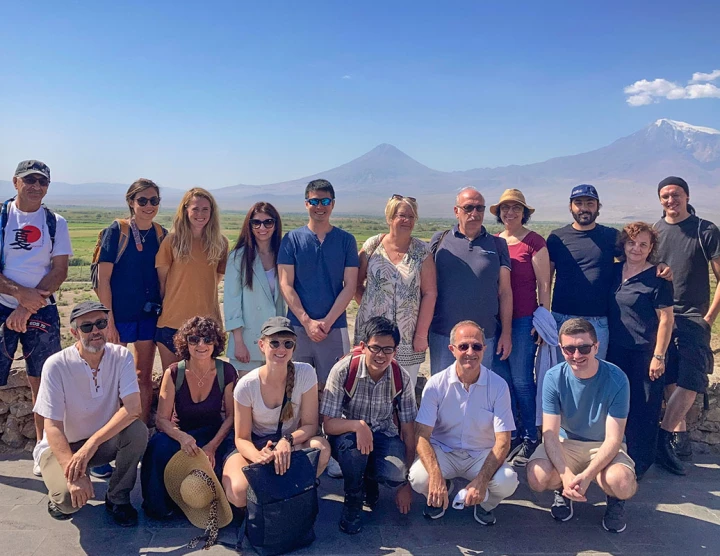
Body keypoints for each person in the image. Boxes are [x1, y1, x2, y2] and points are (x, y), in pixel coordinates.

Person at [32, 301, 148, 525]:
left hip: (99, 444)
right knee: (67, 501)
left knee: (137, 431)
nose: (95, 331)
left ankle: (118, 498)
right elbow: (52, 426)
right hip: (60, 448)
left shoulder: (122, 356)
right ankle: (57, 494)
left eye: (101, 323)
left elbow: (133, 409)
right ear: (74, 332)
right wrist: (73, 472)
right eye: (87, 327)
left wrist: (91, 445)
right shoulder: (56, 365)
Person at [526, 318, 637, 534]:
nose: (576, 356)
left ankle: (614, 500)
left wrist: (586, 477)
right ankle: (563, 489)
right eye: (569, 349)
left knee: (622, 483)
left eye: (584, 348)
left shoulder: (617, 379)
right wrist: (567, 476)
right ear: (561, 349)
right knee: (537, 476)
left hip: (603, 443)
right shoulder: (553, 377)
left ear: (596, 347)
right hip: (565, 442)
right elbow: (549, 434)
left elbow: (614, 439)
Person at [222, 317, 331, 530]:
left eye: (287, 343)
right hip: (255, 446)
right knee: (238, 493)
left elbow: (310, 425)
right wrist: (260, 457)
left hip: (289, 444)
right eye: (274, 343)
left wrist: (287, 441)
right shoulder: (246, 385)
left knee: (321, 448)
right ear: (262, 345)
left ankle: (291, 495)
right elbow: (241, 438)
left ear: (294, 347)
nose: (281, 349)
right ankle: (269, 500)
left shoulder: (306, 373)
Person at [0, 160, 72, 475]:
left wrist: (27, 305)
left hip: (40, 307)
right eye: (29, 180)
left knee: (43, 380)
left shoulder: (56, 222)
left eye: (42, 182)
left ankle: (43, 450)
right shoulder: (2, 218)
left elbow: (59, 270)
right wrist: (19, 296)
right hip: (5, 304)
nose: (35, 186)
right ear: (15, 182)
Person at [409, 320, 519, 526]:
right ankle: (441, 492)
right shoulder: (435, 385)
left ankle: (485, 504)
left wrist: (482, 480)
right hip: (444, 452)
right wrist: (435, 476)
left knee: (507, 481)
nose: (470, 352)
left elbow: (503, 441)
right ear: (452, 349)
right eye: (463, 346)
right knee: (418, 478)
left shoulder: (498, 386)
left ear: (484, 349)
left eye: (476, 346)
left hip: (481, 454)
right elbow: (422, 434)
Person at [321, 316, 418, 534]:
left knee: (395, 473)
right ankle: (353, 501)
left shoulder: (400, 377)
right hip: (347, 436)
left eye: (388, 349)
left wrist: (406, 483)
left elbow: (409, 430)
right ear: (363, 346)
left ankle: (369, 481)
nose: (381, 355)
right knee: (355, 454)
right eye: (375, 348)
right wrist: (358, 426)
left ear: (395, 351)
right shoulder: (343, 370)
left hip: (384, 434)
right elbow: (328, 425)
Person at [654, 176, 720, 473]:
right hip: (660, 317)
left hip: (694, 317)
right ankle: (678, 437)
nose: (671, 200)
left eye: (676, 195)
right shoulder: (655, 231)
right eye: (665, 196)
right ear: (660, 200)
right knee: (668, 377)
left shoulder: (705, 230)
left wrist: (708, 320)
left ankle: (664, 436)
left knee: (691, 380)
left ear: (687, 196)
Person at [141, 316, 236, 519]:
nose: (201, 345)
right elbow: (161, 419)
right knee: (157, 448)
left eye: (208, 339)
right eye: (194, 339)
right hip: (181, 433)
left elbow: (230, 417)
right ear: (185, 343)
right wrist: (182, 437)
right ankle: (159, 505)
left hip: (213, 433)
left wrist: (212, 446)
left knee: (227, 458)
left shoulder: (226, 371)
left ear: (216, 343)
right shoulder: (174, 372)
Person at [96, 178, 166, 425]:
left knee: (142, 376)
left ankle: (141, 430)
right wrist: (109, 322)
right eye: (143, 200)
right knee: (113, 377)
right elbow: (103, 280)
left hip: (148, 317)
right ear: (131, 202)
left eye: (154, 200)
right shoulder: (117, 231)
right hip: (120, 316)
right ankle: (110, 435)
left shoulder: (160, 234)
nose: (149, 206)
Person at [606, 222, 674, 479]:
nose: (636, 248)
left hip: (645, 353)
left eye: (643, 244)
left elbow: (666, 319)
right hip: (614, 351)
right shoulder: (613, 271)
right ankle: (614, 456)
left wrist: (659, 355)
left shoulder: (658, 278)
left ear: (651, 248)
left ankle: (639, 465)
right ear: (623, 244)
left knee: (644, 408)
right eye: (632, 243)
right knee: (616, 405)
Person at [277, 179, 359, 389]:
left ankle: (327, 424)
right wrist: (307, 322)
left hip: (335, 327)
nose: (320, 206)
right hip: (297, 327)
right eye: (314, 201)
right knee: (294, 387)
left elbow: (350, 285)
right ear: (306, 204)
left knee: (333, 388)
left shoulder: (346, 241)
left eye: (325, 201)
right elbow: (286, 284)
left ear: (333, 203)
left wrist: (327, 322)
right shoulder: (292, 240)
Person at [490, 188, 551, 464]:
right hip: (497, 320)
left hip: (524, 318)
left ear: (524, 213)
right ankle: (511, 432)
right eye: (505, 208)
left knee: (523, 379)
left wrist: (543, 318)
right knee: (502, 380)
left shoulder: (534, 242)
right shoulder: (495, 241)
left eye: (516, 208)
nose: (510, 213)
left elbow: (544, 284)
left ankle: (529, 435)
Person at [354, 195, 437, 387]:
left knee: (402, 390)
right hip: (371, 333)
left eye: (411, 216)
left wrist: (421, 334)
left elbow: (430, 293)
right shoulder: (372, 246)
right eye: (402, 215)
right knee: (365, 385)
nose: (407, 220)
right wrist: (371, 306)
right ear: (390, 217)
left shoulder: (422, 252)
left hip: (407, 337)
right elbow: (356, 284)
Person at [429, 187, 512, 375]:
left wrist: (506, 333)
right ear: (456, 211)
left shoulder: (498, 245)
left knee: (479, 394)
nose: (474, 213)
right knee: (442, 393)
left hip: (483, 338)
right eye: (468, 208)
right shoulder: (439, 241)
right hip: (443, 335)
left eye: (480, 208)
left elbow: (505, 292)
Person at [155, 188, 228, 370]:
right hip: (171, 323)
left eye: (205, 209)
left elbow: (215, 279)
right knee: (171, 383)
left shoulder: (220, 243)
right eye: (195, 209)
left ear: (212, 212)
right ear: (185, 210)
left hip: (206, 326)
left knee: (201, 383)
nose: (200, 214)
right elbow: (162, 283)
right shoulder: (171, 242)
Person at [224, 202, 286, 376]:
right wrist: (238, 342)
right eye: (256, 222)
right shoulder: (238, 257)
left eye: (268, 222)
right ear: (249, 225)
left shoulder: (283, 254)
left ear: (275, 224)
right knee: (246, 398)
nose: (262, 227)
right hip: (247, 341)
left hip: (277, 340)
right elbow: (232, 301)